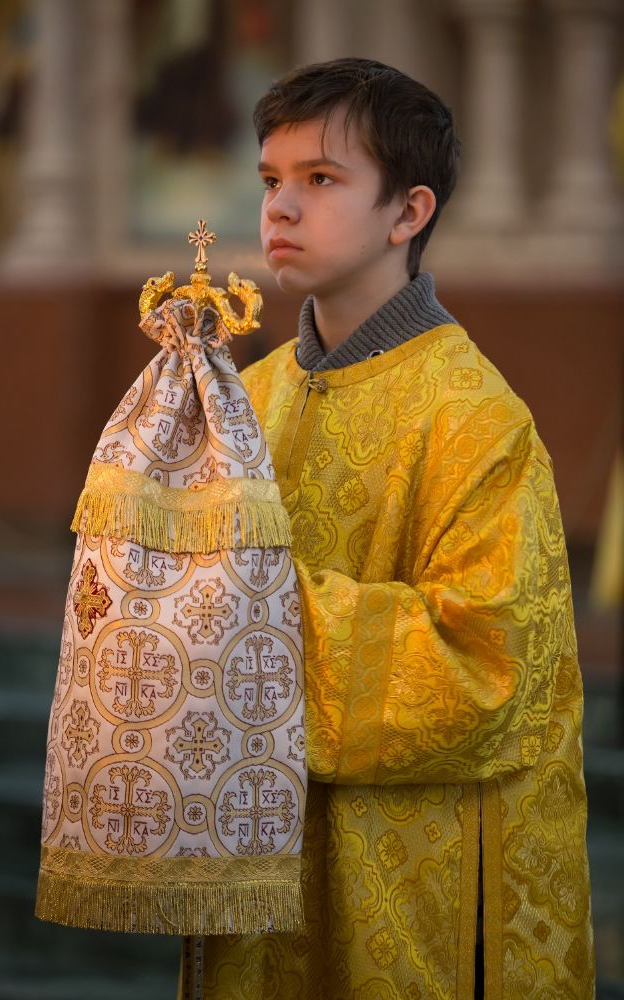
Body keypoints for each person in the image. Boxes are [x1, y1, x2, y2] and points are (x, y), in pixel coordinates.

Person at [201, 57, 594, 999]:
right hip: (264, 852)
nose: (279, 207)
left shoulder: (475, 419)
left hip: (413, 874)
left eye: (320, 178)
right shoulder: (243, 399)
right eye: (270, 179)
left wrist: (240, 608)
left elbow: (486, 668)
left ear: (408, 212)